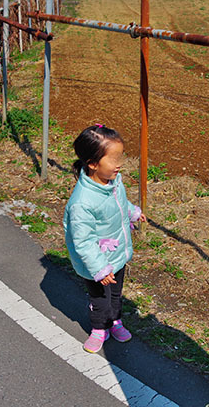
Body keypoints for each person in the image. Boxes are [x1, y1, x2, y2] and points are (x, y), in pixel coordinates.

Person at [63, 124, 146, 353]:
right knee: (100, 297)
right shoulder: (82, 202)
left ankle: (116, 321)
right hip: (96, 262)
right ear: (92, 164)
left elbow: (119, 204)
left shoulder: (113, 181)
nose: (120, 164)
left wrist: (133, 212)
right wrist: (99, 268)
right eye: (114, 159)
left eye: (121, 157)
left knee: (117, 293)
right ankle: (99, 328)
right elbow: (83, 241)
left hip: (117, 252)